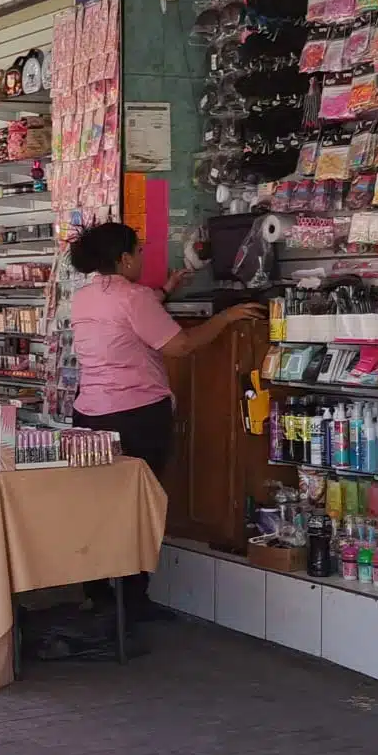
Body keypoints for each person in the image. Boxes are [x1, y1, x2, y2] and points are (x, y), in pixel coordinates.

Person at [67, 222, 265, 618]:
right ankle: (134, 599)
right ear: (124, 259)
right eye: (138, 252)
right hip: (136, 417)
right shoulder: (135, 298)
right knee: (141, 506)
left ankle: (97, 593)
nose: (142, 258)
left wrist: (165, 291)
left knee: (100, 506)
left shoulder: (84, 297)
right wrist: (227, 318)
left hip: (89, 414)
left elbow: (125, 314)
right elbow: (183, 345)